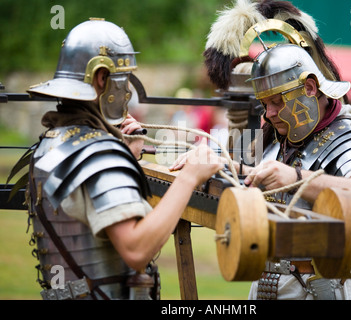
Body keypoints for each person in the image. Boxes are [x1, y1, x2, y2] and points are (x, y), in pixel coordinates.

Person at [171, 0, 351, 300]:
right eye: (264, 103)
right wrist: (213, 162)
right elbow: (251, 170)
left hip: (327, 289)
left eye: (276, 102)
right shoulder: (274, 138)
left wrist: (295, 177)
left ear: (309, 88)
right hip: (269, 286)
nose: (268, 112)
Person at [25, 18, 224, 300]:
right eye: (123, 79)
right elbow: (137, 250)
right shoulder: (99, 155)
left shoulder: (52, 143)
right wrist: (190, 177)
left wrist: (125, 156)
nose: (127, 92)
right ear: (102, 78)